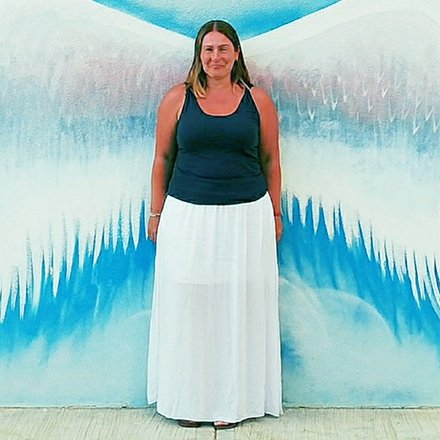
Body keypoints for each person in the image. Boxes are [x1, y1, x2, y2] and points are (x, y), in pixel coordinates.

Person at [146, 19, 283, 430]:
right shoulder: (177, 99)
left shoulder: (258, 101)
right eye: (208, 49)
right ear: (199, 55)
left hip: (246, 219)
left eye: (223, 49)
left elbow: (271, 160)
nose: (215, 57)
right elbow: (162, 159)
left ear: (236, 53)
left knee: (236, 307)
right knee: (189, 305)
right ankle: (187, 401)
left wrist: (276, 213)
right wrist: (156, 212)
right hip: (187, 218)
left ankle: (230, 403)